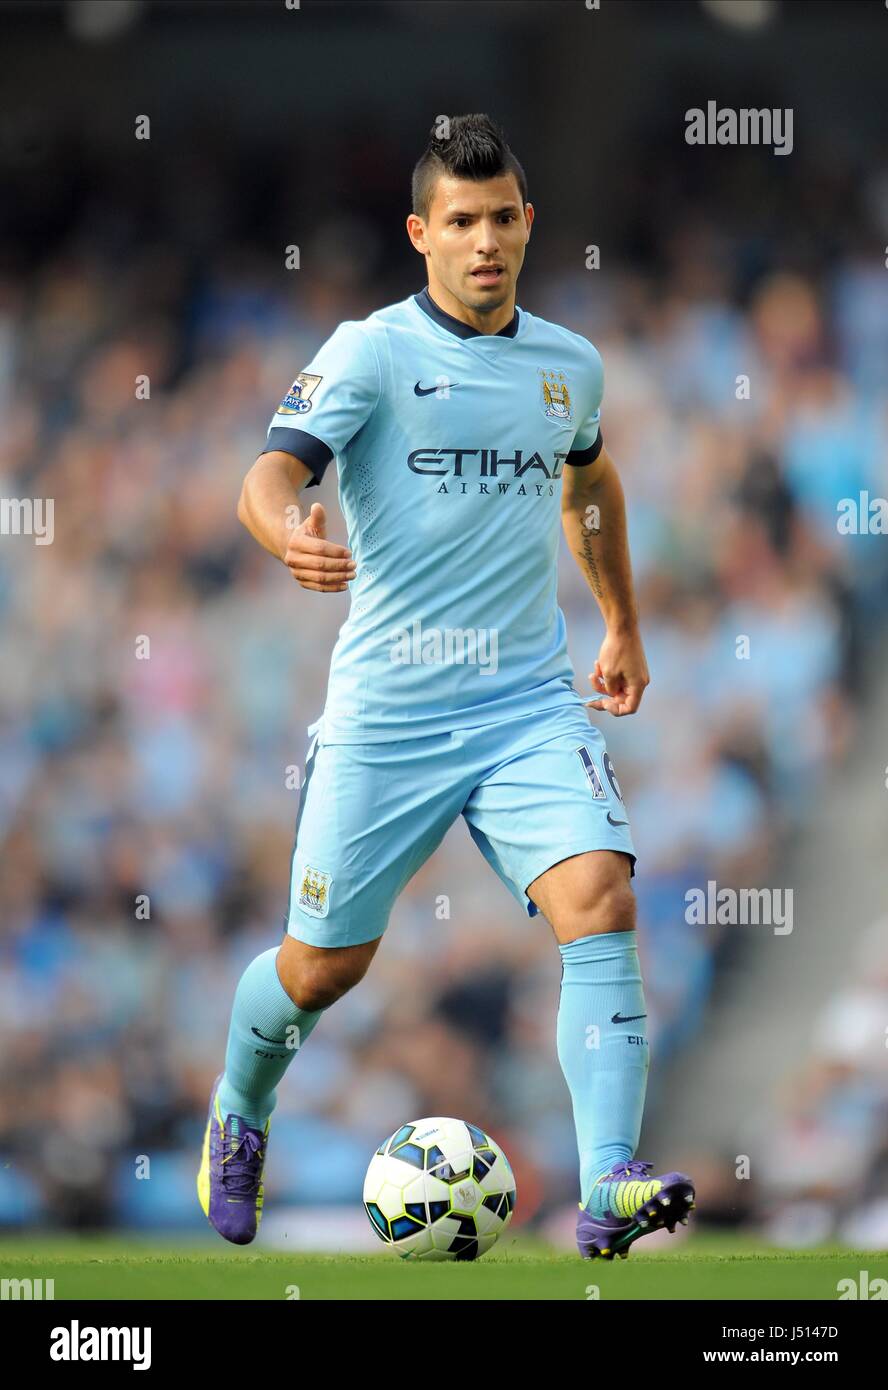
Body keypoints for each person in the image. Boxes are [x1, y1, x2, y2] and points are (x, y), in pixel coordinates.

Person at [197, 113, 694, 1260]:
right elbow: (267, 477)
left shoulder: (570, 367)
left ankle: (610, 1176)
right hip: (392, 710)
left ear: (528, 225)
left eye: (502, 219)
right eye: (460, 222)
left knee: (601, 897)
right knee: (324, 967)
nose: (485, 241)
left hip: (526, 702)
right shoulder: (370, 351)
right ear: (422, 233)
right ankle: (241, 1103)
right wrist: (288, 537)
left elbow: (590, 484)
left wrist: (619, 619)